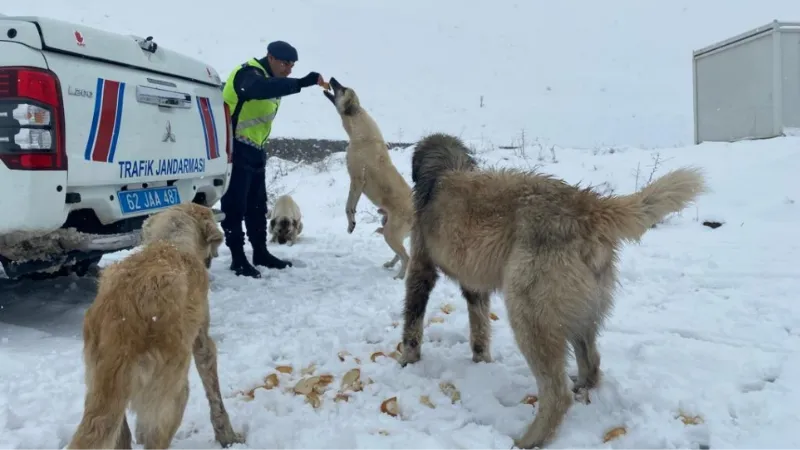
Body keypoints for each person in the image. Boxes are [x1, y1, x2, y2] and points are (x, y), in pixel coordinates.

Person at [220, 40, 327, 278]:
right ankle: (238, 258)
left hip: (256, 150)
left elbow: (269, 91)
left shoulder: (270, 80)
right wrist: (301, 83)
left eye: (292, 65)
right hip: (234, 148)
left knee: (257, 207)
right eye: (285, 63)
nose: (289, 68)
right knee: (235, 207)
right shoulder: (248, 74)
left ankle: (260, 252)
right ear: (270, 57)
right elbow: (260, 88)